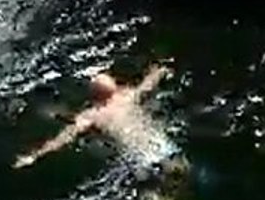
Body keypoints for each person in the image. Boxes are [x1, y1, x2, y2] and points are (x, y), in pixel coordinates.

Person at [13, 64, 180, 171]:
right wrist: (161, 69)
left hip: (142, 159)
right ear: (116, 87)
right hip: (161, 145)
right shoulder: (128, 96)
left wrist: (34, 156)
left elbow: (65, 137)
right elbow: (148, 83)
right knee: (180, 172)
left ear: (93, 97)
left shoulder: (91, 115)